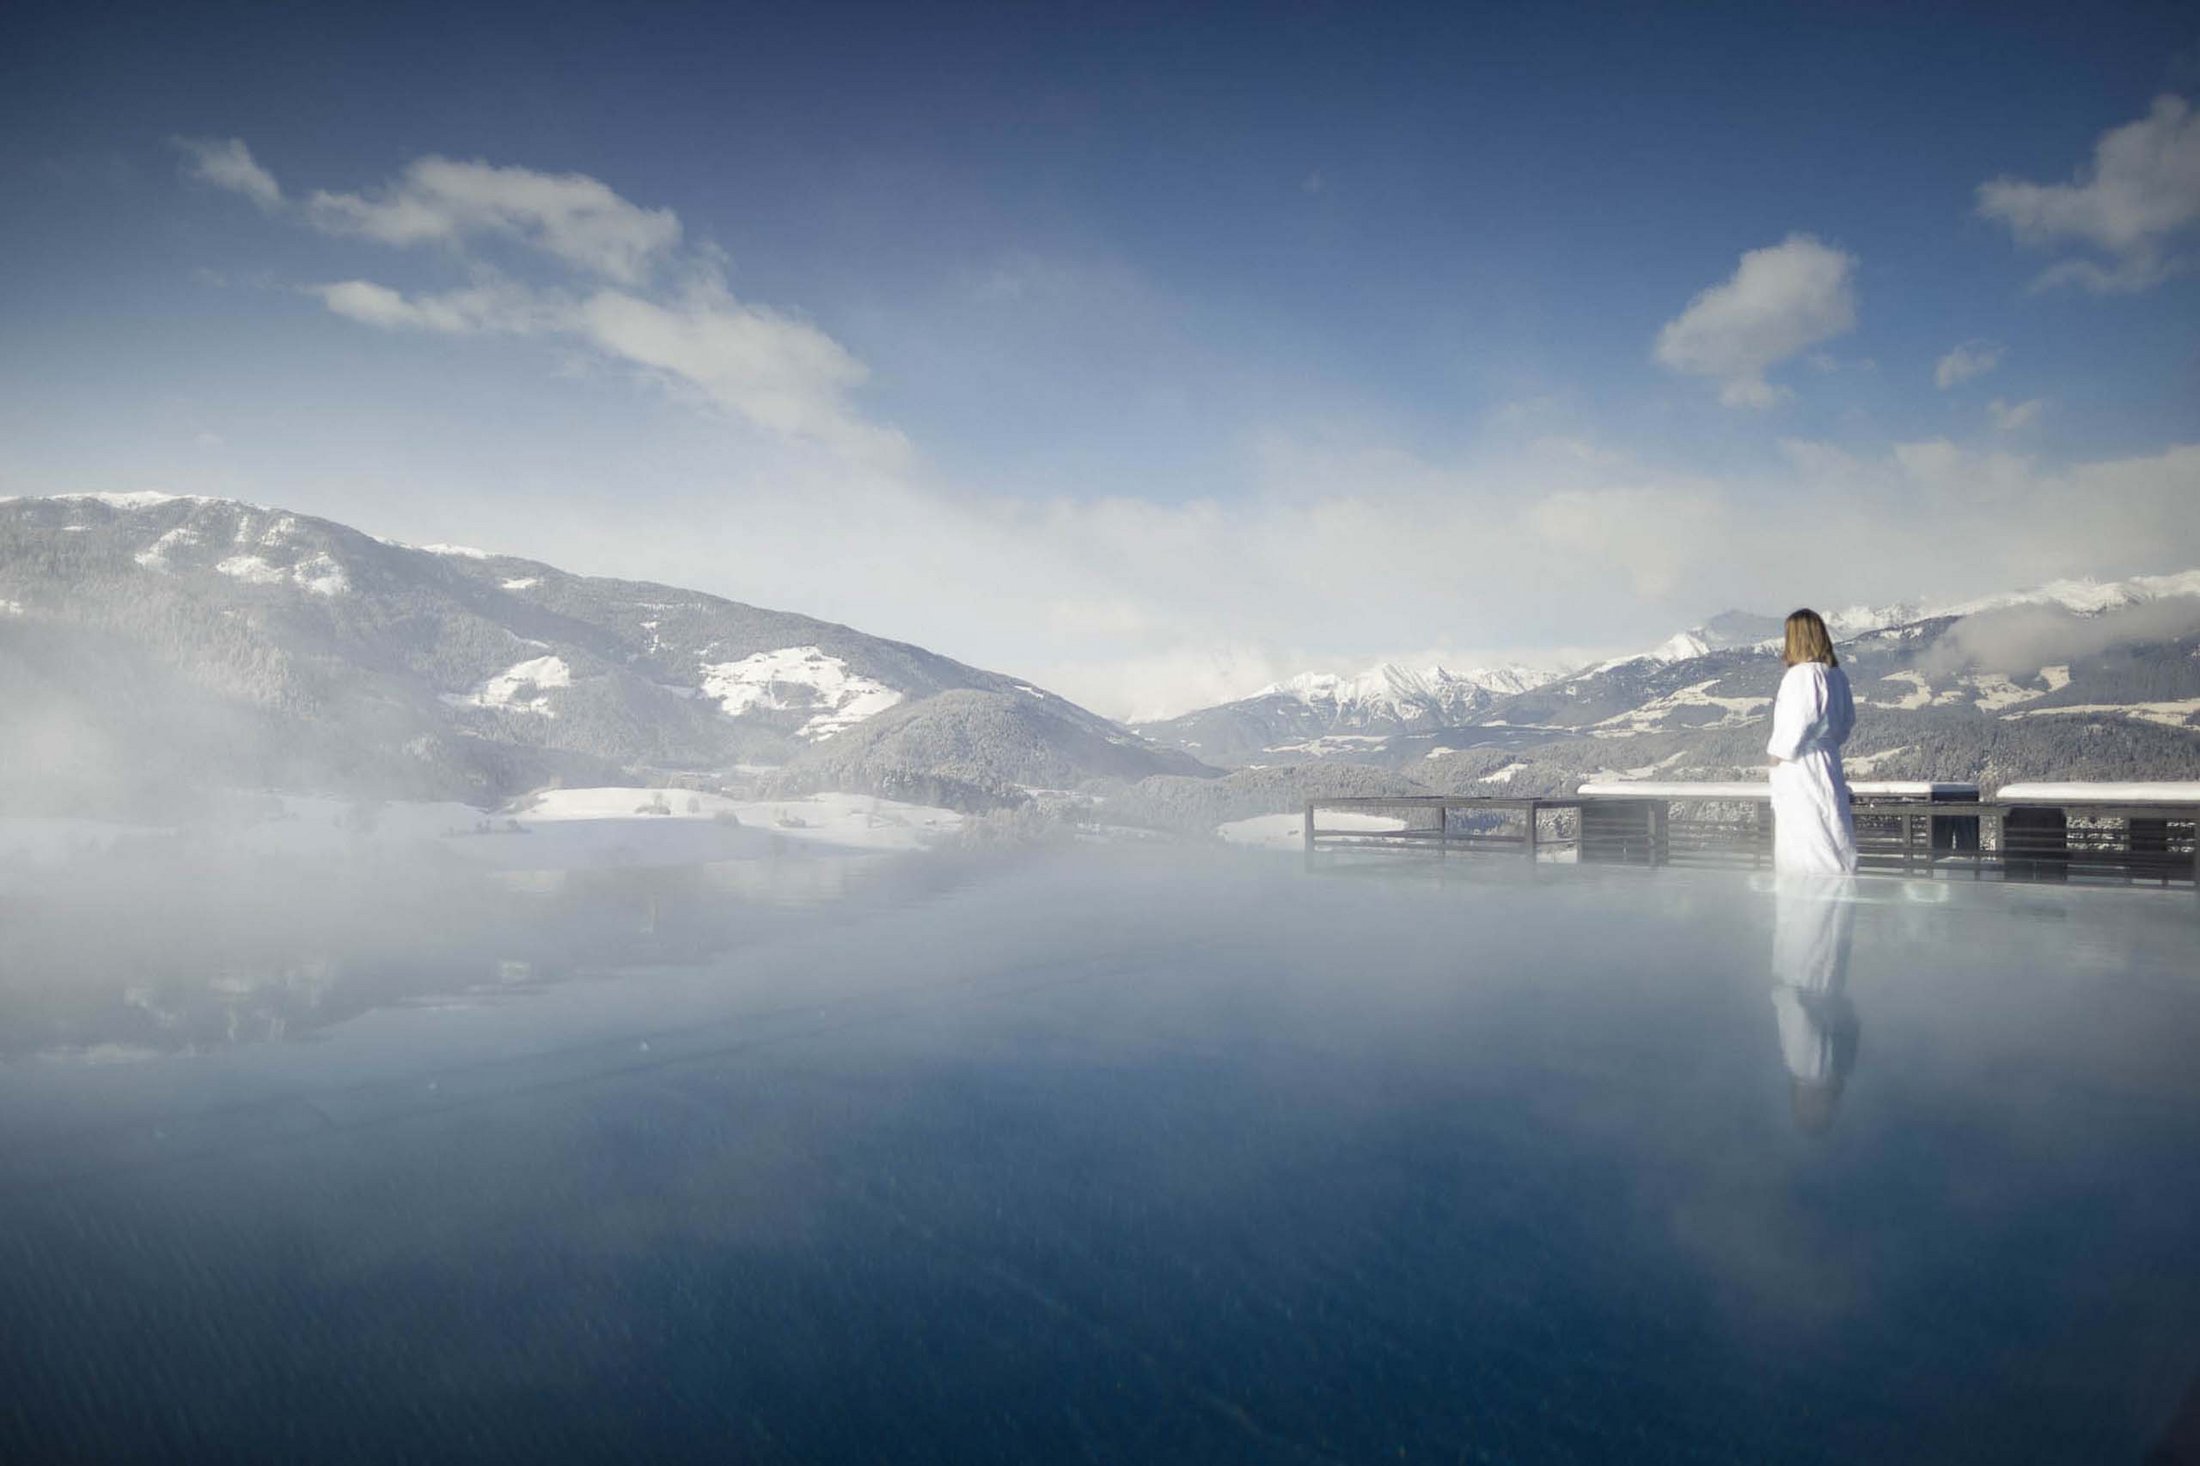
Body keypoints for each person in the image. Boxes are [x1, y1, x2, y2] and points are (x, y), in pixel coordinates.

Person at [1766, 608, 1857, 875]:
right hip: (1828, 759)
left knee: (1807, 835)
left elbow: (1800, 720)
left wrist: (1778, 754)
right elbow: (1846, 721)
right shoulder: (1836, 675)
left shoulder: (1801, 675)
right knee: (1833, 827)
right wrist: (1828, 741)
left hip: (1801, 764)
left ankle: (1810, 905)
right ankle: (1838, 902)